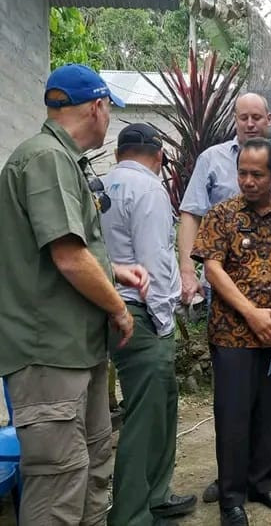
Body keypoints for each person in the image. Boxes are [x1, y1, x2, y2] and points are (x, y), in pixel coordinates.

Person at [0, 63, 149, 525]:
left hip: (75, 352)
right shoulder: (45, 158)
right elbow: (67, 256)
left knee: (91, 468)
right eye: (110, 111)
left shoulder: (61, 159)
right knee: (59, 482)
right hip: (49, 355)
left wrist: (112, 270)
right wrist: (119, 311)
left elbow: (67, 251)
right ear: (99, 107)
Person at [177, 92, 271, 502]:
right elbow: (193, 218)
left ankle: (261, 481)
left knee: (268, 407)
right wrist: (186, 270)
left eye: (256, 116)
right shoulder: (215, 180)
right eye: (242, 117)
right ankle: (230, 486)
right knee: (232, 405)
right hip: (230, 310)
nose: (249, 123)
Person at [192, 138, 271, 526]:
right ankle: (232, 497)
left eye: (256, 174)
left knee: (269, 412)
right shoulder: (221, 215)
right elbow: (212, 268)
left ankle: (263, 483)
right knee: (233, 414)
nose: (247, 181)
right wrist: (250, 313)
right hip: (232, 334)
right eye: (242, 172)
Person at [100, 123, 196, 525]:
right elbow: (153, 262)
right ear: (158, 157)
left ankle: (156, 495)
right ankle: (131, 514)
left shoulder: (102, 186)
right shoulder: (150, 190)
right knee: (144, 415)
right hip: (141, 313)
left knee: (161, 405)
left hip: (110, 308)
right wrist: (162, 321)